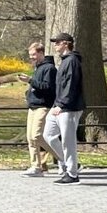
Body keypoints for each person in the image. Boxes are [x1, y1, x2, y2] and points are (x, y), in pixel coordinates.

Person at [43, 32, 85, 184]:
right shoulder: (65, 61)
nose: (55, 45)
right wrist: (57, 104)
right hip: (59, 105)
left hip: (69, 107)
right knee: (48, 135)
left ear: (66, 44)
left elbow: (71, 85)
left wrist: (61, 104)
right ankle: (70, 163)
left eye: (57, 42)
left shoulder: (72, 61)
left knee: (68, 142)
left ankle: (72, 174)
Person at [17, 42, 58, 176]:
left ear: (41, 53)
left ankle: (63, 158)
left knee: (37, 135)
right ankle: (36, 166)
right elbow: (36, 86)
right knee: (30, 138)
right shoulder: (38, 68)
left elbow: (47, 87)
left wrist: (30, 80)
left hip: (43, 106)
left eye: (34, 54)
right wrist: (29, 94)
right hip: (33, 106)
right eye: (30, 55)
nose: (32, 57)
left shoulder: (49, 69)